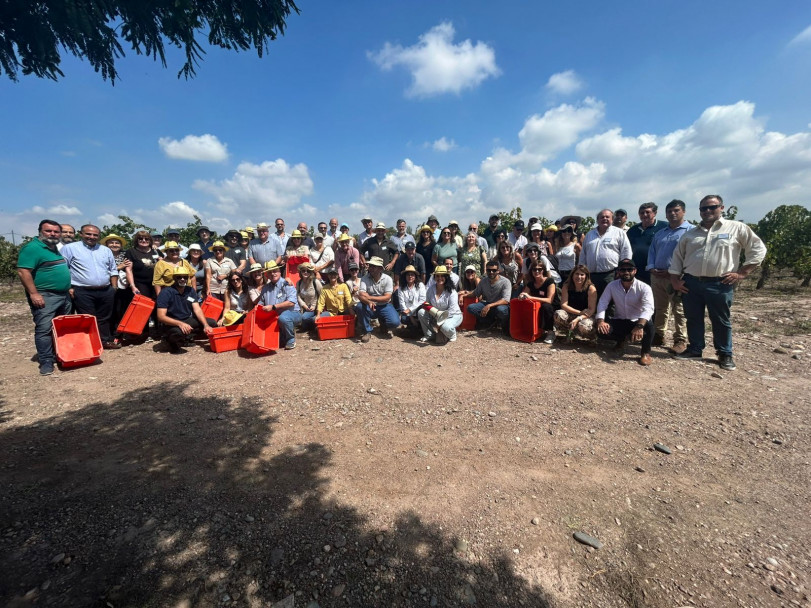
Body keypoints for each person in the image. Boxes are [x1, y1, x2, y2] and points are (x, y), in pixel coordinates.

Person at [669, 194, 767, 371]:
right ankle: (695, 349)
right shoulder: (690, 234)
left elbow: (758, 249)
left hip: (719, 283)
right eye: (703, 208)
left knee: (721, 320)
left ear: (721, 208)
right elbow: (677, 257)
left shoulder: (736, 228)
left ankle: (725, 353)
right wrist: (675, 280)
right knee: (693, 318)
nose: (707, 211)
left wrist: (742, 273)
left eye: (712, 207)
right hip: (691, 283)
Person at [17, 219, 73, 375]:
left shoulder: (53, 247)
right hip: (46, 295)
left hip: (63, 295)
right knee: (44, 328)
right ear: (40, 231)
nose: (53, 234)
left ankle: (60, 355)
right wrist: (34, 293)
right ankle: (46, 361)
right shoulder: (32, 248)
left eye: (56, 231)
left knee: (60, 327)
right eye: (49, 231)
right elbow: (23, 271)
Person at [61, 224, 120, 349]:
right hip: (82, 290)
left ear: (99, 236)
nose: (91, 237)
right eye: (88, 234)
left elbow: (113, 270)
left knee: (105, 317)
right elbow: (63, 270)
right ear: (81, 234)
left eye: (95, 235)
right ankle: (90, 343)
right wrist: (69, 287)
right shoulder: (70, 248)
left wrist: (113, 287)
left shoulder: (105, 250)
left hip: (105, 289)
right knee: (87, 318)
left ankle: (103, 341)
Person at [646, 200, 690, 353]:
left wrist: (674, 272)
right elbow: (652, 252)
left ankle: (680, 339)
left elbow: (691, 256)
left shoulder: (689, 231)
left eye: (676, 210)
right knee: (660, 307)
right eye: (670, 211)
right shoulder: (661, 233)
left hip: (677, 277)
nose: (672, 213)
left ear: (683, 212)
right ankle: (659, 335)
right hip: (658, 276)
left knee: (679, 309)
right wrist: (651, 268)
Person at [595, 259, 655, 366]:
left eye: (629, 269)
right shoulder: (612, 286)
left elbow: (648, 308)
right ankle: (621, 342)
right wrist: (600, 321)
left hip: (637, 321)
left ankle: (645, 352)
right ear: (618, 272)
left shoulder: (644, 287)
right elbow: (603, 303)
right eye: (623, 270)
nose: (626, 272)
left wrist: (640, 326)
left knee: (649, 325)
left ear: (635, 271)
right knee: (601, 330)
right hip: (620, 320)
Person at [155, 266, 215, 353]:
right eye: (179, 277)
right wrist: (180, 324)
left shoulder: (190, 290)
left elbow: (197, 309)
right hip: (171, 323)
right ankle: (170, 342)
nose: (182, 279)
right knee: (177, 333)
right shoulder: (166, 292)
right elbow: (161, 317)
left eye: (185, 277)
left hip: (186, 320)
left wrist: (206, 325)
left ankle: (186, 338)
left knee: (212, 323)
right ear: (174, 278)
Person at [581, 209, 633, 298]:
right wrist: (581, 271)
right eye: (602, 217)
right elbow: (583, 254)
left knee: (612, 301)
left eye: (607, 217)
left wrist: (622, 270)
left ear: (612, 219)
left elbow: (626, 252)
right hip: (591, 275)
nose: (604, 219)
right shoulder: (589, 234)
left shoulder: (619, 233)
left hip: (611, 275)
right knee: (592, 300)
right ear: (597, 220)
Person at [259, 260, 301, 350]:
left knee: (284, 318)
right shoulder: (265, 288)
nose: (273, 274)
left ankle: (291, 339)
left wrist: (273, 307)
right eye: (270, 272)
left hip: (292, 313)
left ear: (279, 272)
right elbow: (260, 304)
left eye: (275, 271)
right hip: (275, 316)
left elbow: (291, 302)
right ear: (266, 275)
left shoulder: (287, 284)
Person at [357, 256, 400, 343]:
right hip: (370, 305)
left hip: (385, 305)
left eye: (374, 266)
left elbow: (387, 297)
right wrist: (368, 301)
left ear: (380, 268)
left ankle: (383, 324)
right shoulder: (364, 278)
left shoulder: (388, 279)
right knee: (359, 306)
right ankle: (367, 331)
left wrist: (370, 297)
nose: (371, 268)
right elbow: (361, 295)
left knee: (395, 322)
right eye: (370, 266)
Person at [418, 265, 463, 343]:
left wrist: (439, 323)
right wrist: (431, 311)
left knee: (445, 327)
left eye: (442, 276)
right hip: (436, 315)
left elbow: (451, 311)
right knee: (421, 312)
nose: (439, 278)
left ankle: (452, 334)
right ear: (434, 277)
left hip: (453, 316)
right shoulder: (430, 289)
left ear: (446, 277)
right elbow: (427, 304)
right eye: (437, 276)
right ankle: (429, 335)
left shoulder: (452, 291)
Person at [554, 265, 598, 341]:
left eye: (582, 274)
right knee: (558, 314)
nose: (579, 277)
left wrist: (579, 318)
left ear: (586, 276)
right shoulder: (566, 286)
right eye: (577, 274)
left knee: (584, 325)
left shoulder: (591, 288)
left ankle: (592, 337)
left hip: (586, 316)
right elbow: (563, 305)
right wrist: (579, 312)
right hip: (573, 313)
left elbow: (591, 310)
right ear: (572, 275)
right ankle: (569, 333)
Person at [627, 202, 667, 284]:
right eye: (642, 213)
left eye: (648, 212)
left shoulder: (665, 227)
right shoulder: (632, 230)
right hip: (637, 271)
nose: (644, 215)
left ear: (655, 213)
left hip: (657, 271)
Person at [100, 233, 131, 337]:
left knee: (122, 309)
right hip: (107, 285)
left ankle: (121, 332)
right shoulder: (102, 255)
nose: (114, 244)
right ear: (107, 244)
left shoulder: (125, 254)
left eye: (117, 243)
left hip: (123, 287)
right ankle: (110, 332)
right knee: (110, 310)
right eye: (111, 242)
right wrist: (119, 267)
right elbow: (101, 270)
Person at [467, 260, 511, 333]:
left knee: (502, 310)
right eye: (489, 270)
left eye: (494, 270)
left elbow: (506, 300)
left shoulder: (505, 282)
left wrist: (489, 305)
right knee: (471, 308)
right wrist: (463, 295)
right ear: (486, 270)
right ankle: (489, 322)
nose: (491, 272)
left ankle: (504, 326)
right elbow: (475, 293)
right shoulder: (483, 281)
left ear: (498, 271)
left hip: (500, 305)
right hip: (488, 304)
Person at [519, 260, 556, 344]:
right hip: (538, 306)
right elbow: (524, 293)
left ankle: (551, 332)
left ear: (543, 270)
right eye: (534, 269)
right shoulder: (531, 284)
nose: (537, 271)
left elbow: (549, 300)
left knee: (546, 307)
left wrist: (531, 297)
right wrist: (522, 296)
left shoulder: (549, 281)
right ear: (531, 271)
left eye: (539, 269)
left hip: (551, 307)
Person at [396, 265, 426, 334]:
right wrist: (411, 316)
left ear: (415, 276)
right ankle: (413, 326)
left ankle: (419, 327)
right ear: (405, 277)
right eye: (408, 275)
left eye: (412, 275)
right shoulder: (401, 287)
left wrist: (410, 309)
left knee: (422, 313)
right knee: (403, 319)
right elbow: (402, 303)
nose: (410, 277)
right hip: (407, 313)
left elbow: (422, 300)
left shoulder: (420, 285)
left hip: (418, 310)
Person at [296, 261, 321, 330]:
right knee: (302, 322)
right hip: (305, 308)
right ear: (300, 272)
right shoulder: (299, 283)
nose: (305, 272)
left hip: (315, 308)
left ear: (311, 272)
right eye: (303, 271)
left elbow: (321, 296)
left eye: (308, 271)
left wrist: (314, 306)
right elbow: (298, 296)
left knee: (304, 318)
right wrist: (304, 306)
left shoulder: (315, 282)